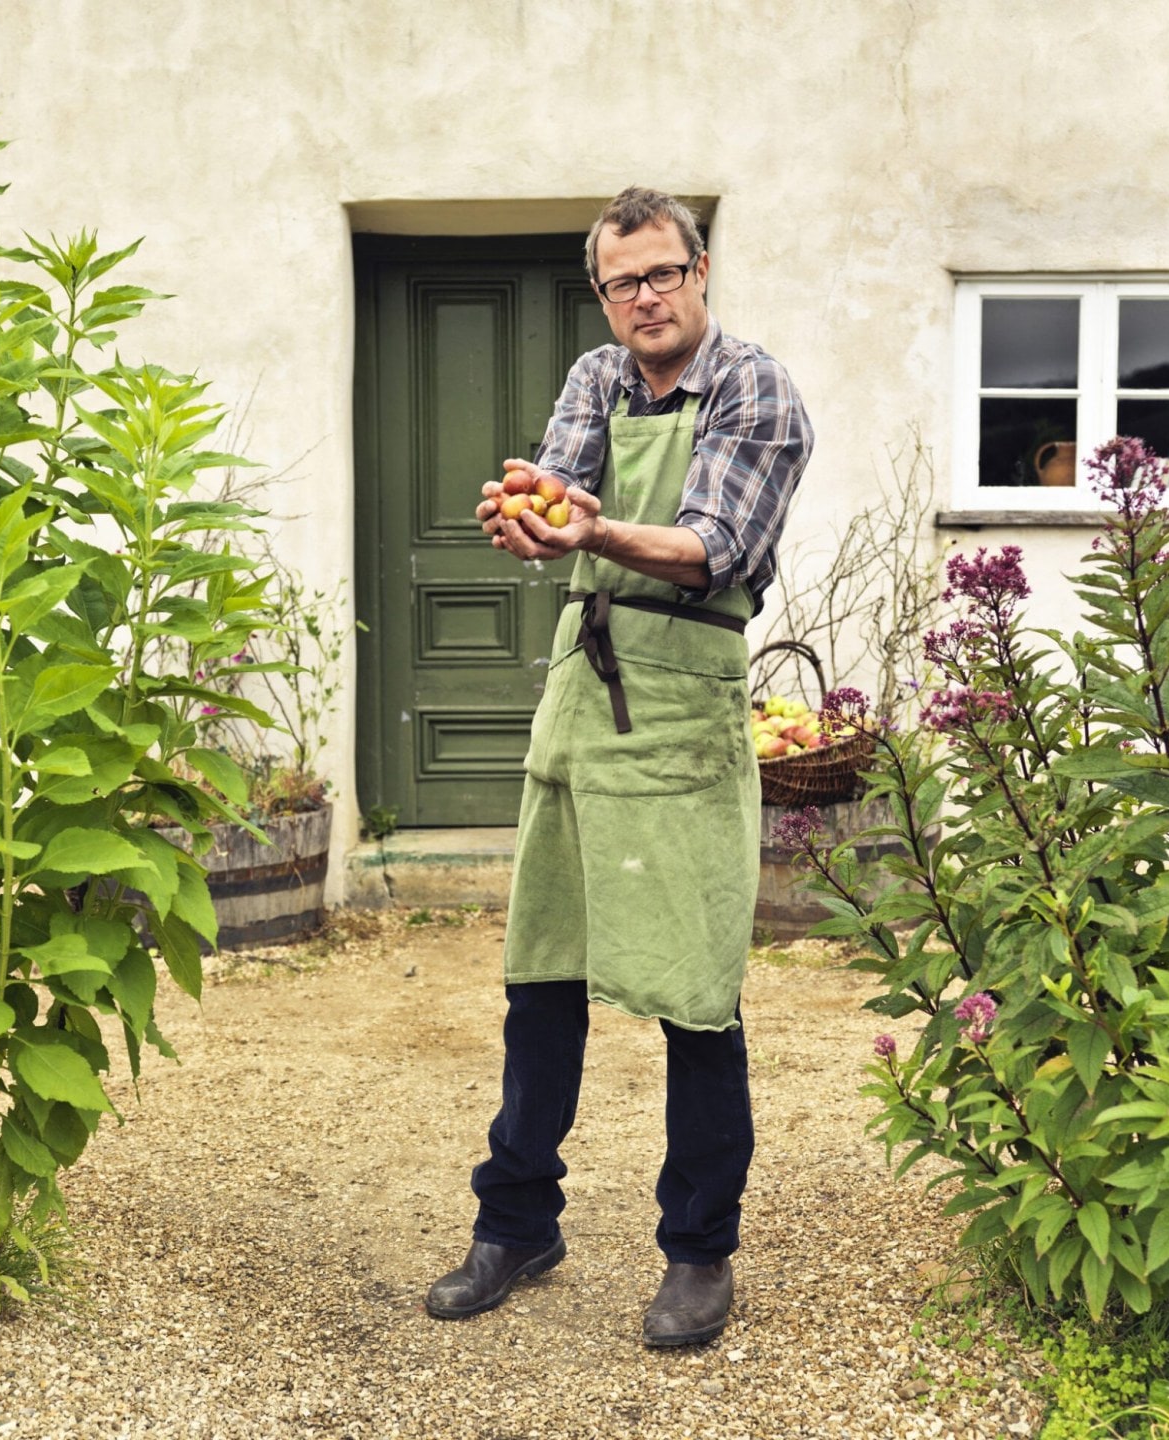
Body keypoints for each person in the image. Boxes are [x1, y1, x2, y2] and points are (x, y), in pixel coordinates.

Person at [423, 187, 814, 1347]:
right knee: (539, 982)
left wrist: (586, 530)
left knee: (697, 998)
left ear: (701, 272)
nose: (643, 298)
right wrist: (527, 517)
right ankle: (516, 1224)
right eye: (621, 282)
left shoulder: (754, 388)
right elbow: (560, 491)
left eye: (661, 274)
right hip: (581, 706)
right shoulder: (597, 379)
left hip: (685, 713)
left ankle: (698, 1250)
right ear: (603, 294)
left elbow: (712, 547)